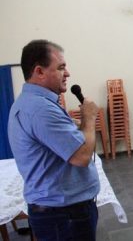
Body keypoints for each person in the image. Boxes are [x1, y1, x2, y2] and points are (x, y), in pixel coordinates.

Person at [8, 40, 100, 240]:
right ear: (39, 72)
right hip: (63, 214)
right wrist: (89, 118)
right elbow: (82, 156)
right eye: (61, 68)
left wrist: (74, 124)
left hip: (60, 211)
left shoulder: (31, 103)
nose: (67, 73)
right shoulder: (41, 109)